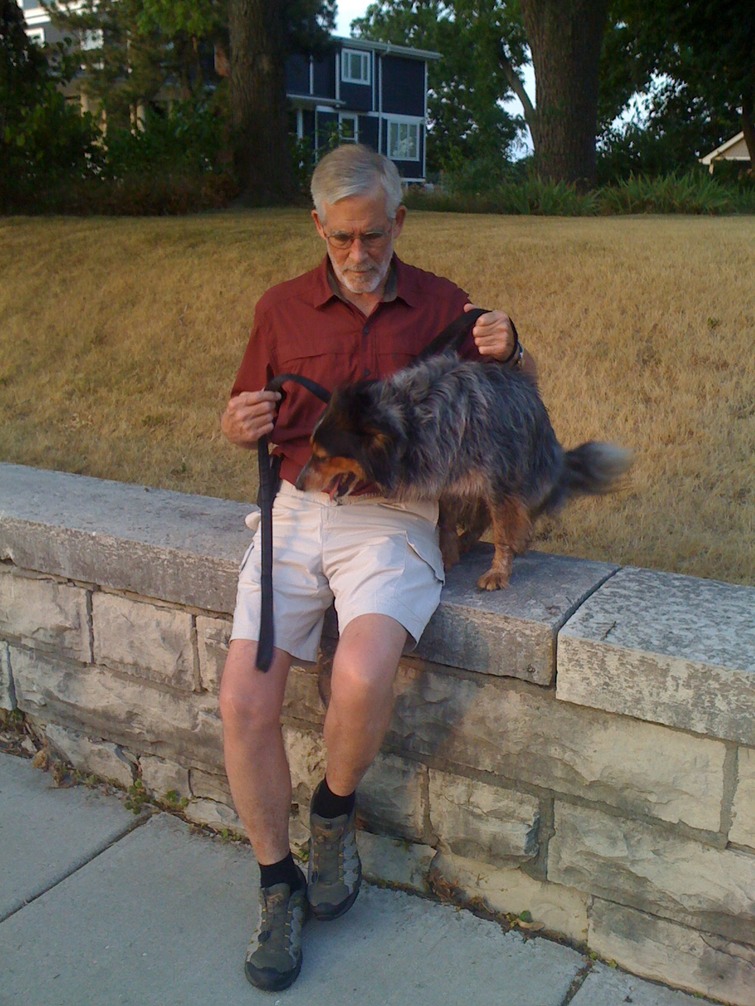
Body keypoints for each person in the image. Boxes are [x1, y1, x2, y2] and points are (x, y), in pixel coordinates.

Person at [219, 144, 532, 992]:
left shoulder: (441, 303)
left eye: (374, 234)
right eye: (342, 238)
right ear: (318, 227)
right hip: (296, 511)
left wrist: (506, 352)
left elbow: (508, 410)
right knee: (244, 699)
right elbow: (248, 412)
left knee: (361, 673)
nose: (360, 255)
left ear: (400, 219)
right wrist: (241, 420)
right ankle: (277, 882)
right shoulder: (281, 308)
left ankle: (332, 813)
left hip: (395, 516)